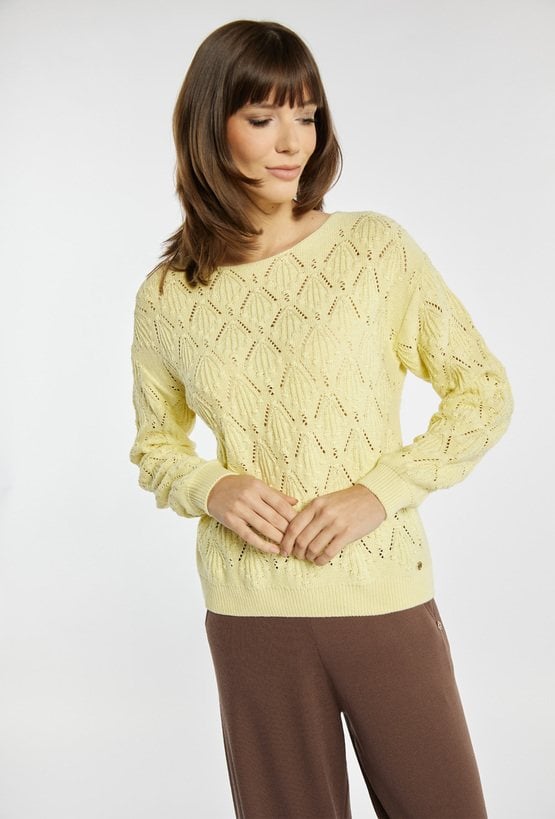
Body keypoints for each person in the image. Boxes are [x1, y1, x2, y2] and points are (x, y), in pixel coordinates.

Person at [128, 19, 514, 819]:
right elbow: (156, 443)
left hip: (381, 595)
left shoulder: (373, 250)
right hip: (249, 612)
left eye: (305, 116)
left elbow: (482, 391)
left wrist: (380, 491)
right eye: (262, 117)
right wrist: (211, 486)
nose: (291, 141)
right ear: (209, 127)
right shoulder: (168, 294)